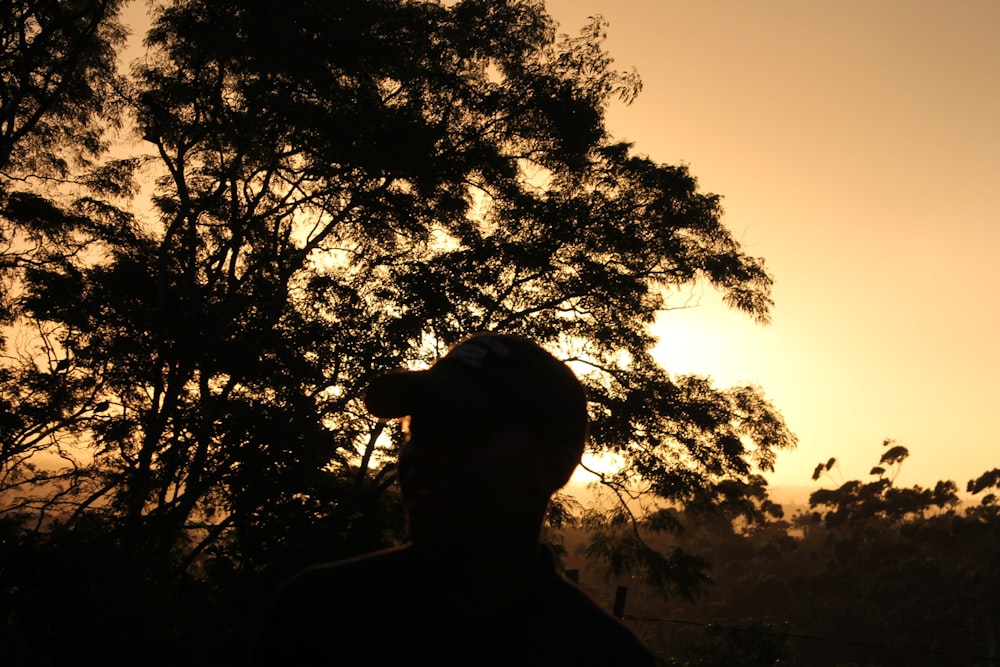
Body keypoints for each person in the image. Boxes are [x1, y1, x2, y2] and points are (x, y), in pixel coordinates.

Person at [251, 333, 657, 666]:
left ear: (551, 468)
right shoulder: (317, 614)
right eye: (419, 432)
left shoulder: (600, 656)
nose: (426, 455)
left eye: (463, 435)